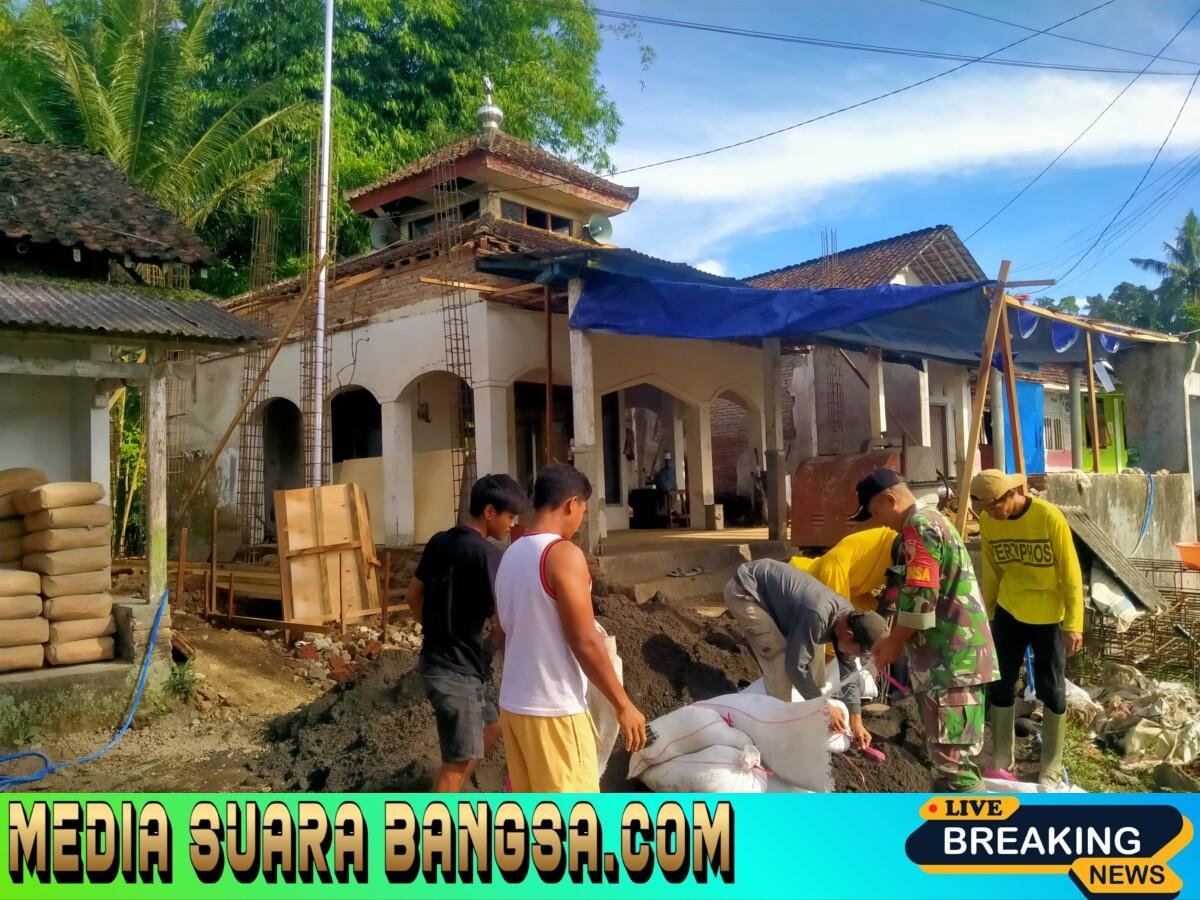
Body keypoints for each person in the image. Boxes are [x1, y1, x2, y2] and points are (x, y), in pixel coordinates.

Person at [495, 463, 647, 792]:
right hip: (555, 712)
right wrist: (623, 704)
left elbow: (500, 631)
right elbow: (584, 640)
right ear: (570, 504)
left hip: (514, 707)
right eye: (583, 510)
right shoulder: (562, 554)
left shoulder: (510, 555)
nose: (580, 521)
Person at [858, 468, 999, 793]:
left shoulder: (918, 528)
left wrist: (892, 643)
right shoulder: (933, 520)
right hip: (952, 663)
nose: (878, 522)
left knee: (954, 772)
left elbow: (922, 600)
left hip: (951, 666)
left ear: (890, 499)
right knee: (947, 768)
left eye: (876, 513)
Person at [406, 473, 529, 792]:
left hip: (448, 663)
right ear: (490, 512)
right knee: (456, 761)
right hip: (455, 671)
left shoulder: (439, 541)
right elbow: (504, 617)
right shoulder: (487, 556)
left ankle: (454, 791)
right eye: (510, 516)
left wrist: (434, 628)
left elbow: (412, 595)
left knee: (493, 725)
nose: (512, 524)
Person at [971, 469, 1083, 788]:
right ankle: (1002, 760)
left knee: (1052, 689)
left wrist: (1074, 623)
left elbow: (1070, 571)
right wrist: (990, 615)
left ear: (1011, 495)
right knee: (1001, 684)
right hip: (1009, 609)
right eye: (985, 509)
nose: (991, 514)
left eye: (995, 506)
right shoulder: (991, 521)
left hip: (1048, 613)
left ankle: (1050, 765)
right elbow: (991, 570)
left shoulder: (1048, 516)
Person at [724, 558, 888, 749]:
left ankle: (807, 715)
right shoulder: (817, 615)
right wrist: (823, 707)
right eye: (859, 651)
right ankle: (778, 736)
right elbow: (794, 668)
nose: (858, 656)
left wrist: (856, 721)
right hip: (746, 591)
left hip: (780, 600)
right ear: (849, 634)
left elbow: (849, 673)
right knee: (780, 662)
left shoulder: (849, 619)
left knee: (815, 664)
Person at [789, 526, 900, 614]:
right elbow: (835, 622)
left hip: (849, 592)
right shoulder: (835, 567)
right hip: (797, 584)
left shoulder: (889, 549)